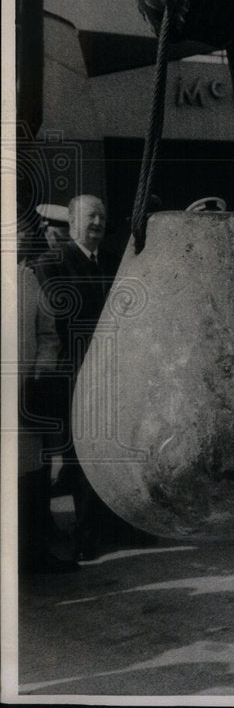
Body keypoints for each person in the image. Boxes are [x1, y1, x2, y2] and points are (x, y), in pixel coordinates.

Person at [33, 195, 150, 561]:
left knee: (117, 452)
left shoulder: (115, 263)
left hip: (115, 373)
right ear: (71, 221)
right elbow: (64, 317)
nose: (97, 222)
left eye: (102, 215)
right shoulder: (51, 264)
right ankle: (86, 534)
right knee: (83, 456)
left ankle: (120, 526)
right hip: (76, 372)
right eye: (89, 216)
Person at [17, 233, 79, 574]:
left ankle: (37, 553)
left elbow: (48, 333)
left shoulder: (28, 280)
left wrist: (41, 370)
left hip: (26, 395)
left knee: (32, 476)